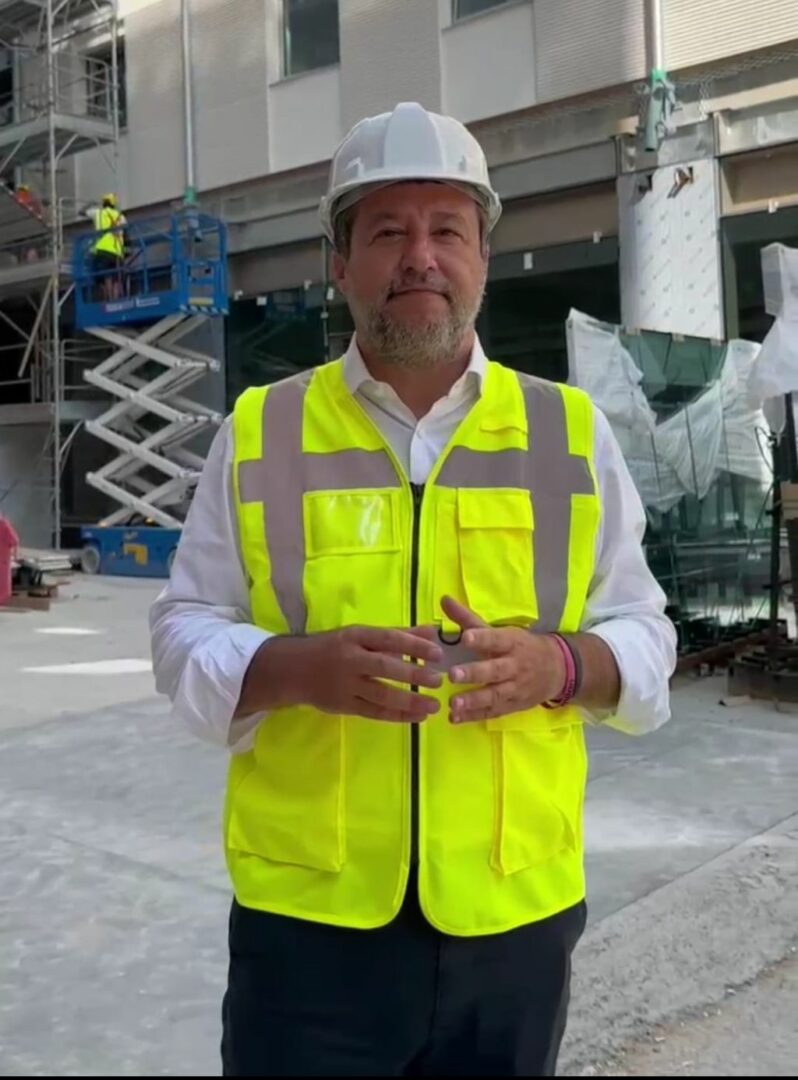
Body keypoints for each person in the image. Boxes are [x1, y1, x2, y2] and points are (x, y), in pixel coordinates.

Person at [150, 101, 677, 1077]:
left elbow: (647, 642)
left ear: (483, 256)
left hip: (512, 923)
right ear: (340, 263)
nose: (420, 257)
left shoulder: (570, 433)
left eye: (447, 230)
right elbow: (182, 634)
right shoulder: (261, 430)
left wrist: (559, 666)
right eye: (388, 231)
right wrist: (295, 670)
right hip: (308, 927)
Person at [83, 192, 126, 301]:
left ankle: (108, 300)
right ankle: (116, 300)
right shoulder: (120, 216)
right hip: (117, 251)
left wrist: (90, 204)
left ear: (103, 203)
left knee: (106, 277)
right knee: (117, 279)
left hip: (103, 250)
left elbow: (81, 212)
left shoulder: (98, 213)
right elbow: (125, 230)